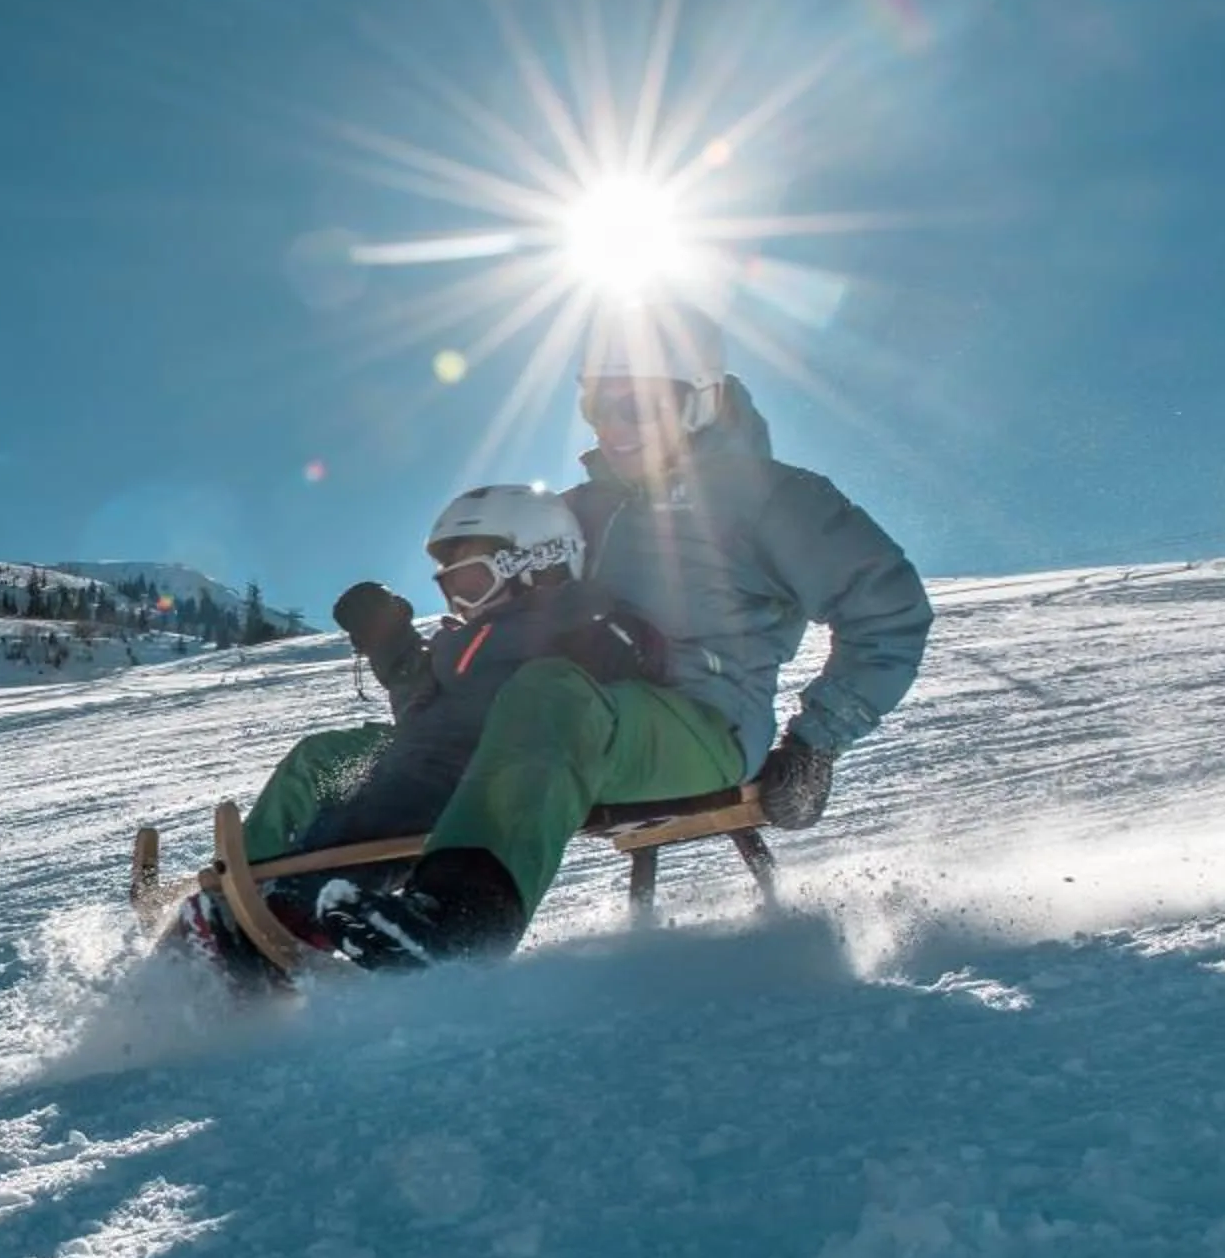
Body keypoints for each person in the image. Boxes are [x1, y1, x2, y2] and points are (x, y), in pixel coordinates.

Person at [315, 297, 932, 972]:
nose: (615, 426)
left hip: (702, 728)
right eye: (598, 406)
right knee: (342, 754)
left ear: (697, 400)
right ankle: (268, 918)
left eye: (638, 405)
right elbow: (499, 651)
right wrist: (401, 658)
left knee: (551, 690)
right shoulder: (572, 513)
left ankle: (461, 920)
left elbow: (888, 612)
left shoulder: (771, 497)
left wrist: (816, 744)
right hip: (565, 730)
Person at [179, 484, 667, 976]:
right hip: (433, 748)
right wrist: (386, 639)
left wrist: (613, 642)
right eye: (448, 588)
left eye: (473, 582)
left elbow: (601, 680)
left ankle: (292, 908)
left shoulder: (576, 618)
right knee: (322, 757)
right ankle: (248, 888)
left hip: (489, 758)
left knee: (394, 786)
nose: (459, 600)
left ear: (542, 561)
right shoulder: (470, 636)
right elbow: (424, 702)